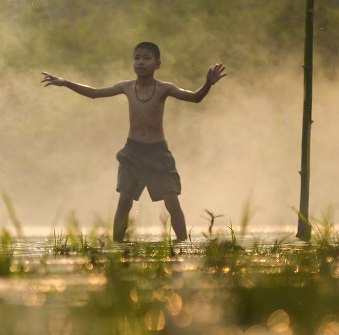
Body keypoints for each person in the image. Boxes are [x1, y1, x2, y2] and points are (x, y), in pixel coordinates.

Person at [41, 42, 226, 242]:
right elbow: (95, 93)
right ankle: (116, 246)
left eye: (146, 58)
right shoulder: (126, 87)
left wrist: (208, 84)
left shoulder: (165, 88)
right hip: (133, 152)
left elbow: (195, 98)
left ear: (157, 64)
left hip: (158, 152)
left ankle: (183, 244)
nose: (140, 62)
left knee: (172, 201)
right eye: (137, 57)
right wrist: (65, 82)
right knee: (124, 200)